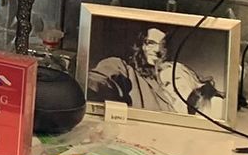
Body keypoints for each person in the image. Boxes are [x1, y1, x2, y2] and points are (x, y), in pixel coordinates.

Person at [88, 26, 222, 115]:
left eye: (163, 45)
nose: (157, 50)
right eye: (151, 43)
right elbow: (98, 80)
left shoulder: (174, 72)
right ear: (141, 46)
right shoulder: (123, 68)